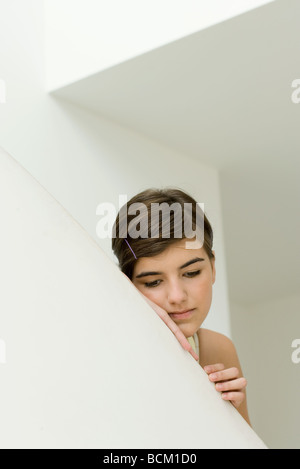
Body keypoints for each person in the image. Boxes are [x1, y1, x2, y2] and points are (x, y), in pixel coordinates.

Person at [112, 187, 250, 426]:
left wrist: (229, 423)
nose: (177, 296)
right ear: (127, 282)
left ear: (213, 268)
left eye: (192, 272)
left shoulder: (218, 349)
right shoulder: (111, 340)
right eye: (153, 282)